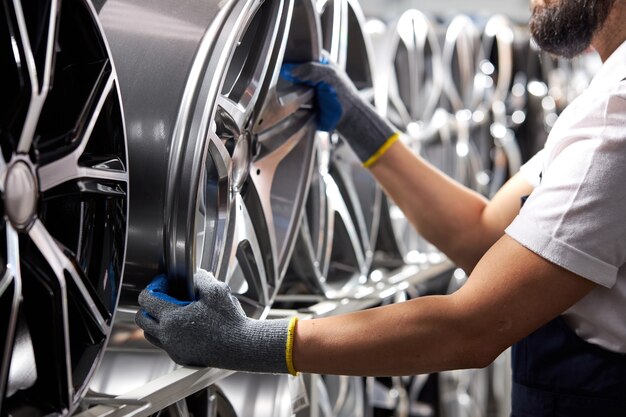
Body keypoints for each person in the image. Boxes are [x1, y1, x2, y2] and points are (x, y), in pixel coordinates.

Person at [135, 0, 626, 415]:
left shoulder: (616, 116)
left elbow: (473, 327)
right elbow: (486, 237)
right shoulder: (603, 101)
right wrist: (362, 125)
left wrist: (246, 341)